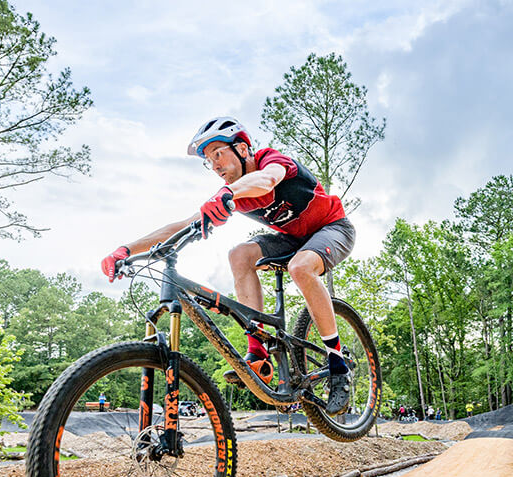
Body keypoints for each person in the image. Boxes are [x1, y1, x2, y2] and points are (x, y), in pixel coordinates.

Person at [102, 117, 356, 415]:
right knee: (239, 254)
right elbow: (184, 224)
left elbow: (268, 179)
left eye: (218, 154)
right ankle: (258, 350)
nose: (215, 166)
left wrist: (228, 195)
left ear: (244, 149)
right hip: (291, 238)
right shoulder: (235, 193)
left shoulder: (271, 161)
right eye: (208, 161)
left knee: (300, 268)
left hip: (332, 227)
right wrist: (127, 249)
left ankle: (338, 365)